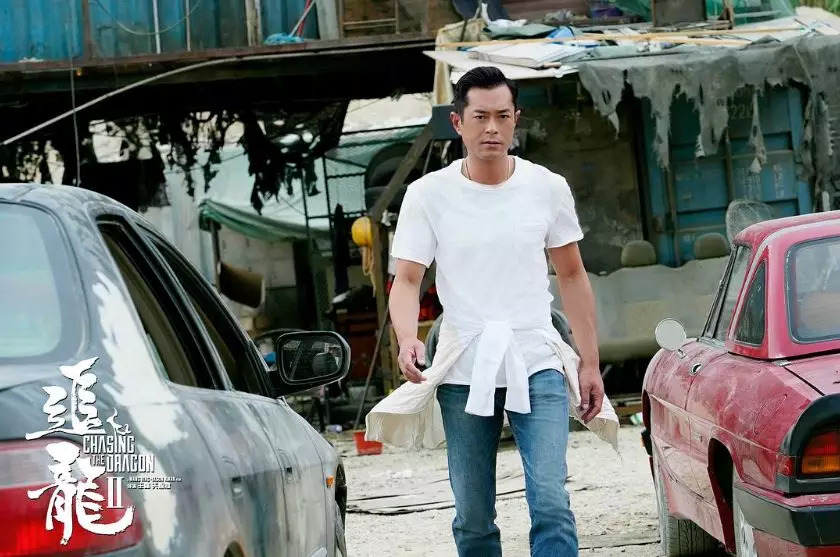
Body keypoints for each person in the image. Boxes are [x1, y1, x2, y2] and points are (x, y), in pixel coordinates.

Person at [364, 66, 618, 557]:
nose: (492, 129)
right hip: (464, 362)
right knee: (474, 513)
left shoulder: (546, 187)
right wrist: (407, 337)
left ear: (516, 119)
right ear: (457, 122)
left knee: (551, 499)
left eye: (503, 116)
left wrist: (589, 362)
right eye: (480, 117)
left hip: (536, 356)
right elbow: (408, 279)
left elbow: (572, 275)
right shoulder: (427, 195)